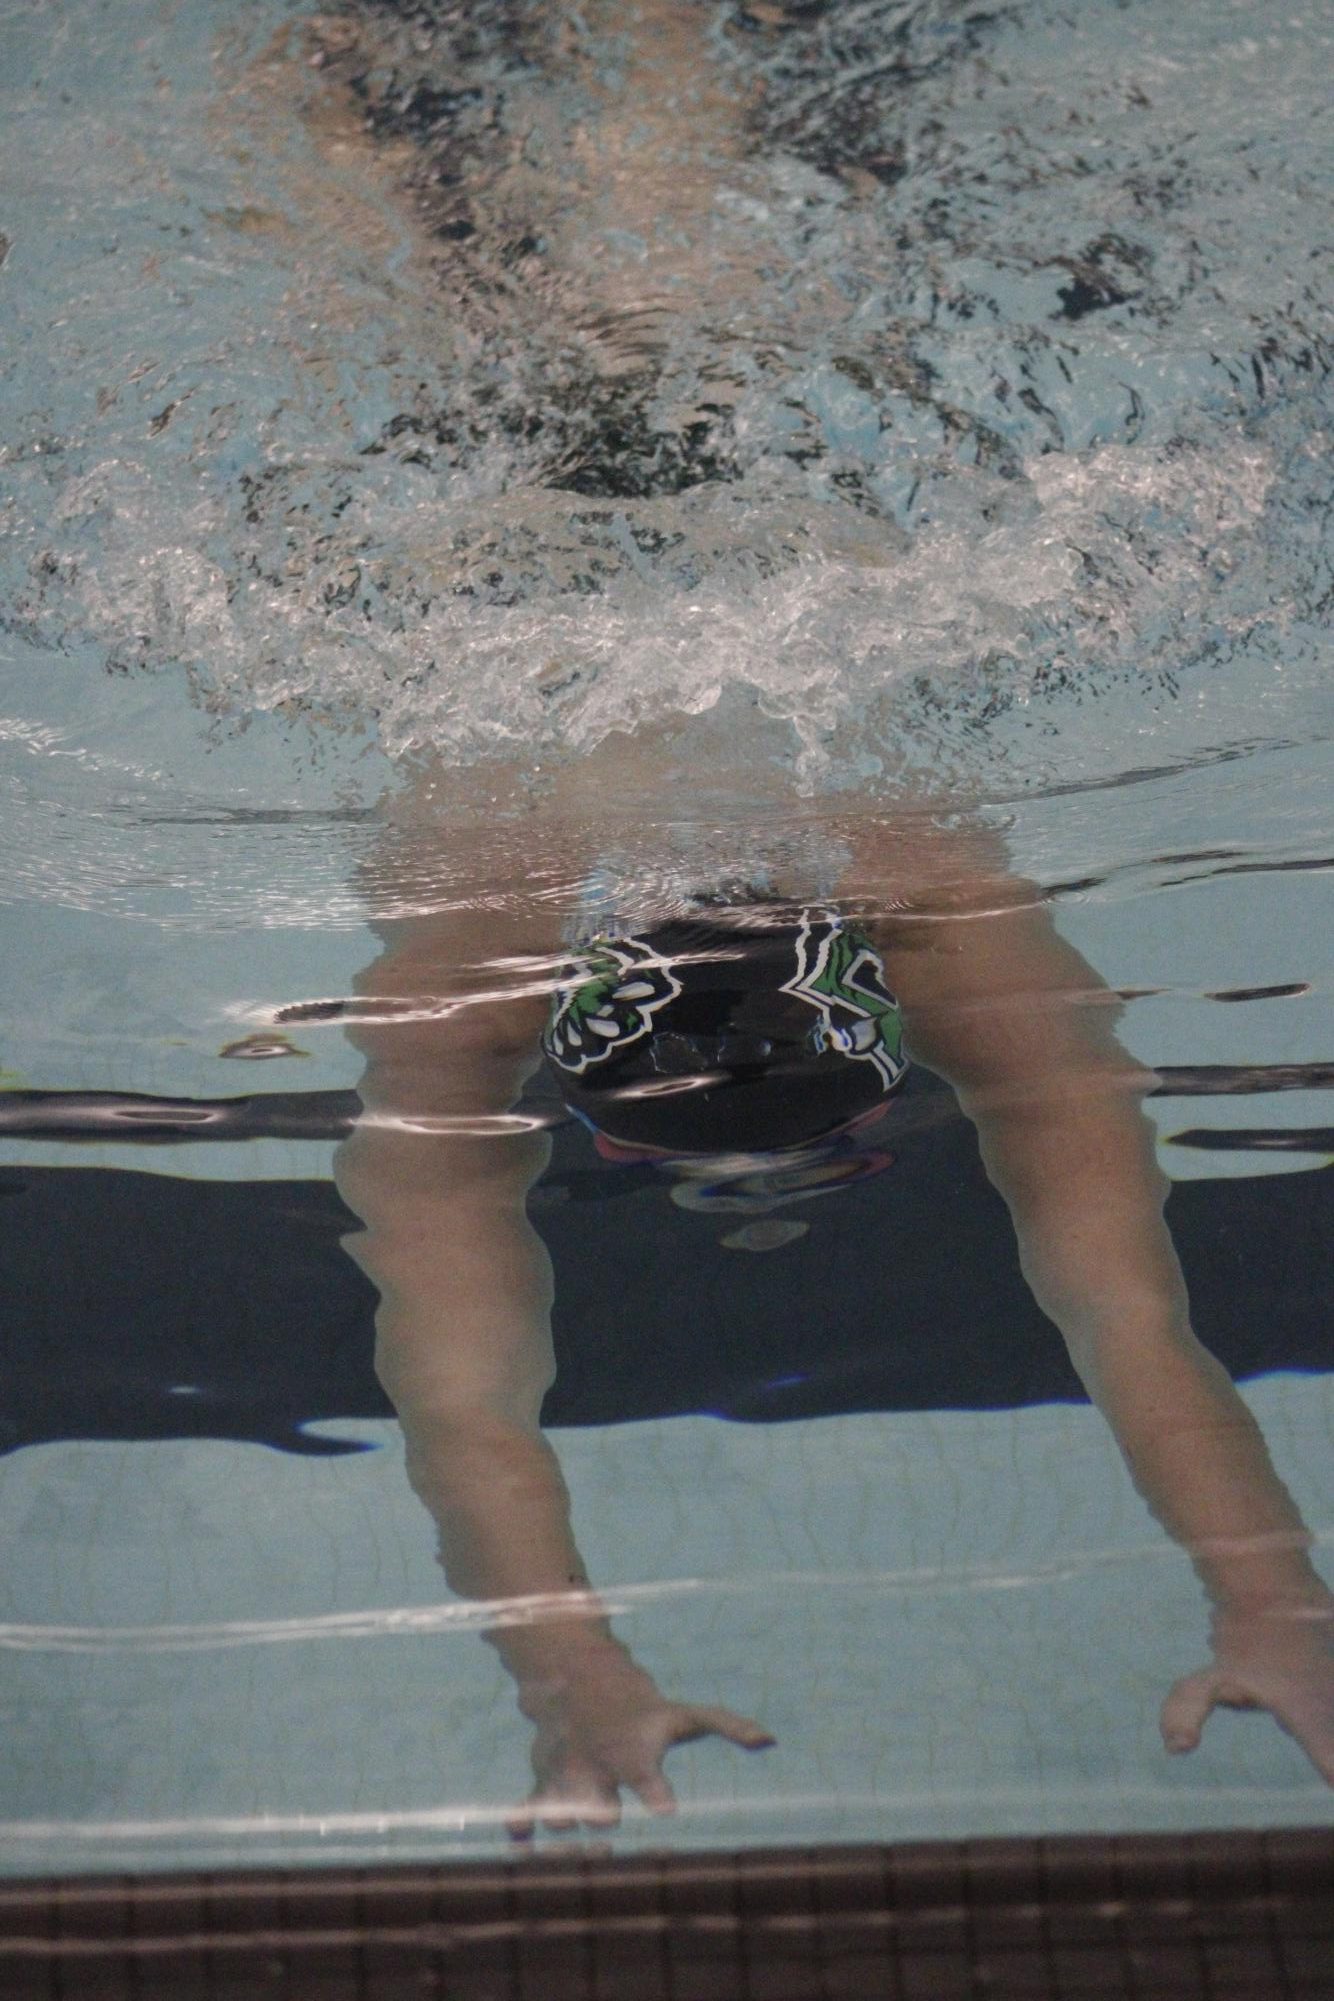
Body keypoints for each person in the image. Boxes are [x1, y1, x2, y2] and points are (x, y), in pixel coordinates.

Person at [334, 749, 1334, 1836]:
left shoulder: (463, 989)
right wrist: (564, 1670)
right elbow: (1126, 1315)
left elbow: (465, 1399)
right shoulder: (929, 902)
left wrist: (1274, 1607)